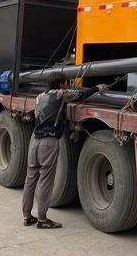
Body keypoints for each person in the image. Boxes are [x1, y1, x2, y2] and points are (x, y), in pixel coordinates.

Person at [22, 71, 106, 229]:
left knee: (30, 179)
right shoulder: (61, 94)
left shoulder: (39, 96)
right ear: (60, 84)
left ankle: (27, 217)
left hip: (35, 141)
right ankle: (42, 219)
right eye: (66, 82)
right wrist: (97, 88)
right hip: (49, 142)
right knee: (46, 181)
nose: (67, 85)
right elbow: (81, 95)